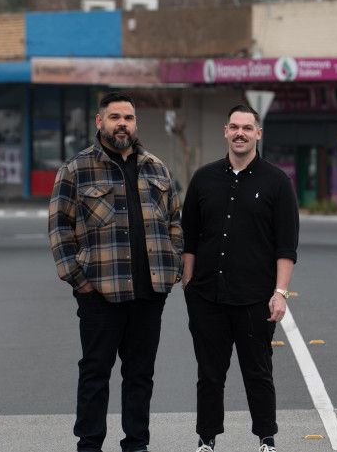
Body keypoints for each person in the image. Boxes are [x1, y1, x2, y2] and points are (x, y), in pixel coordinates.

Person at [48, 92, 183, 452]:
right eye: (115, 117)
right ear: (99, 122)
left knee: (140, 375)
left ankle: (137, 443)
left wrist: (170, 272)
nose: (122, 123)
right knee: (95, 373)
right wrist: (80, 280)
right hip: (100, 294)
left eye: (128, 117)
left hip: (149, 293)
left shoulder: (157, 168)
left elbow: (174, 223)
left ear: (135, 123)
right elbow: (59, 228)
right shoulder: (76, 169)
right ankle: (89, 444)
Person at [181, 104, 299, 452]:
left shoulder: (277, 182)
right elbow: (189, 235)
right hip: (207, 298)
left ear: (258, 133)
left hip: (254, 299)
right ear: (225, 131)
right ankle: (206, 439)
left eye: (247, 128)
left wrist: (280, 292)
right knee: (209, 374)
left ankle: (266, 438)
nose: (240, 134)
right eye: (234, 127)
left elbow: (286, 246)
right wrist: (188, 282)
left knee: (258, 373)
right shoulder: (204, 178)